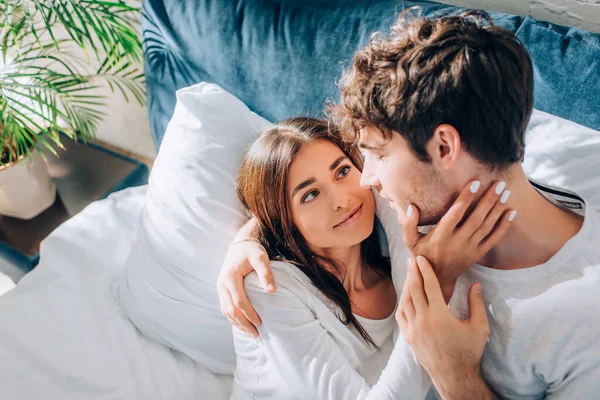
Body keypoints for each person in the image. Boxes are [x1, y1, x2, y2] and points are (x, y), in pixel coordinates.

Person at [219, 8, 600, 399]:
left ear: (444, 147)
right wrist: (253, 237)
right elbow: (296, 165)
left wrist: (453, 373)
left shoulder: (583, 322)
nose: (364, 179)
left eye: (378, 155)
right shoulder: (436, 176)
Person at [229, 117, 512, 399]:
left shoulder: (370, 204)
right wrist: (434, 280)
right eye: (311, 194)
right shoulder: (267, 288)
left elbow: (387, 175)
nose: (342, 199)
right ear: (282, 222)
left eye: (341, 172)